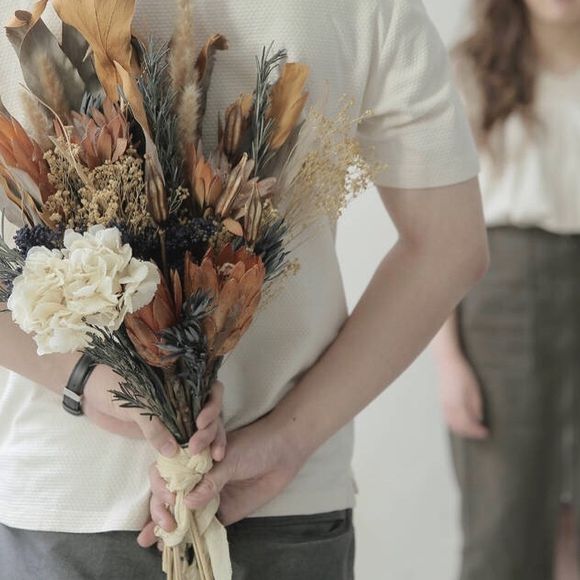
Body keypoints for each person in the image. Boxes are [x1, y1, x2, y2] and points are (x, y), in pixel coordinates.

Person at [0, 0, 487, 578]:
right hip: (277, 497)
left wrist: (79, 377)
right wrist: (288, 439)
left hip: (71, 500)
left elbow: (448, 249)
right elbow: (448, 244)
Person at [433, 0, 580, 579]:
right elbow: (438, 231)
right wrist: (448, 361)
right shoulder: (471, 69)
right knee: (506, 524)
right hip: (502, 310)